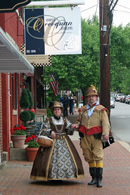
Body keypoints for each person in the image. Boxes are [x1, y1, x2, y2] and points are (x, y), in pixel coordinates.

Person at [30, 101, 84, 181]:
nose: (57, 111)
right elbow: (43, 130)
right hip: (52, 143)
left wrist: (72, 127)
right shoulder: (49, 120)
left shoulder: (65, 120)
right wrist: (50, 131)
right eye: (55, 109)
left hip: (64, 142)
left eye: (58, 109)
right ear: (53, 111)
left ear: (61, 111)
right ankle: (52, 176)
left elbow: (69, 132)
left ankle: (64, 176)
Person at [72, 85, 110, 188]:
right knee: (89, 156)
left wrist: (105, 133)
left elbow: (105, 123)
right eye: (89, 96)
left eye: (93, 96)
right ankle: (93, 178)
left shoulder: (101, 109)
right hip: (85, 137)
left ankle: (99, 179)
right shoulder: (83, 110)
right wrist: (76, 125)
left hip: (97, 137)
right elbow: (79, 121)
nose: (91, 98)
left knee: (98, 156)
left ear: (96, 97)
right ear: (87, 98)